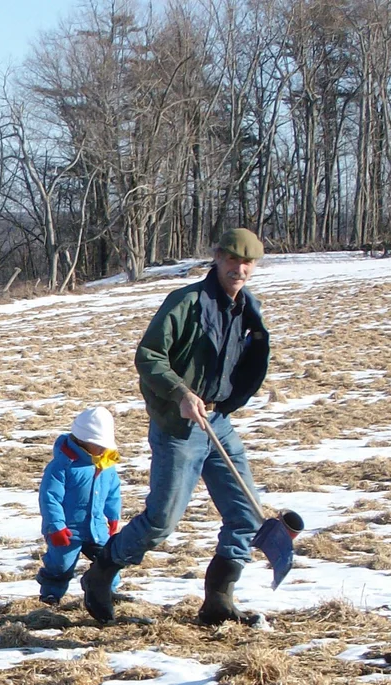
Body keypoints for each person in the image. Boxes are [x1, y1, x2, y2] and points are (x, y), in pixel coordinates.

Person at [81, 228, 270, 625]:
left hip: (218, 422)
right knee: (162, 521)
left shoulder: (246, 306)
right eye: (233, 259)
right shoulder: (187, 302)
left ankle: (219, 598)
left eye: (248, 262)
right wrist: (181, 393)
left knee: (247, 516)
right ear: (217, 257)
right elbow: (149, 355)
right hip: (179, 428)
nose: (240, 268)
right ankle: (102, 572)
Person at [37, 406, 122, 606]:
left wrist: (113, 516)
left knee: (109, 561)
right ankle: (51, 594)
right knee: (61, 564)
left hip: (97, 528)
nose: (103, 449)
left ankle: (109, 592)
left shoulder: (107, 465)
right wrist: (56, 526)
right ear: (82, 441)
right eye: (98, 445)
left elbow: (113, 492)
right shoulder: (62, 466)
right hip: (67, 531)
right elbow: (49, 498)